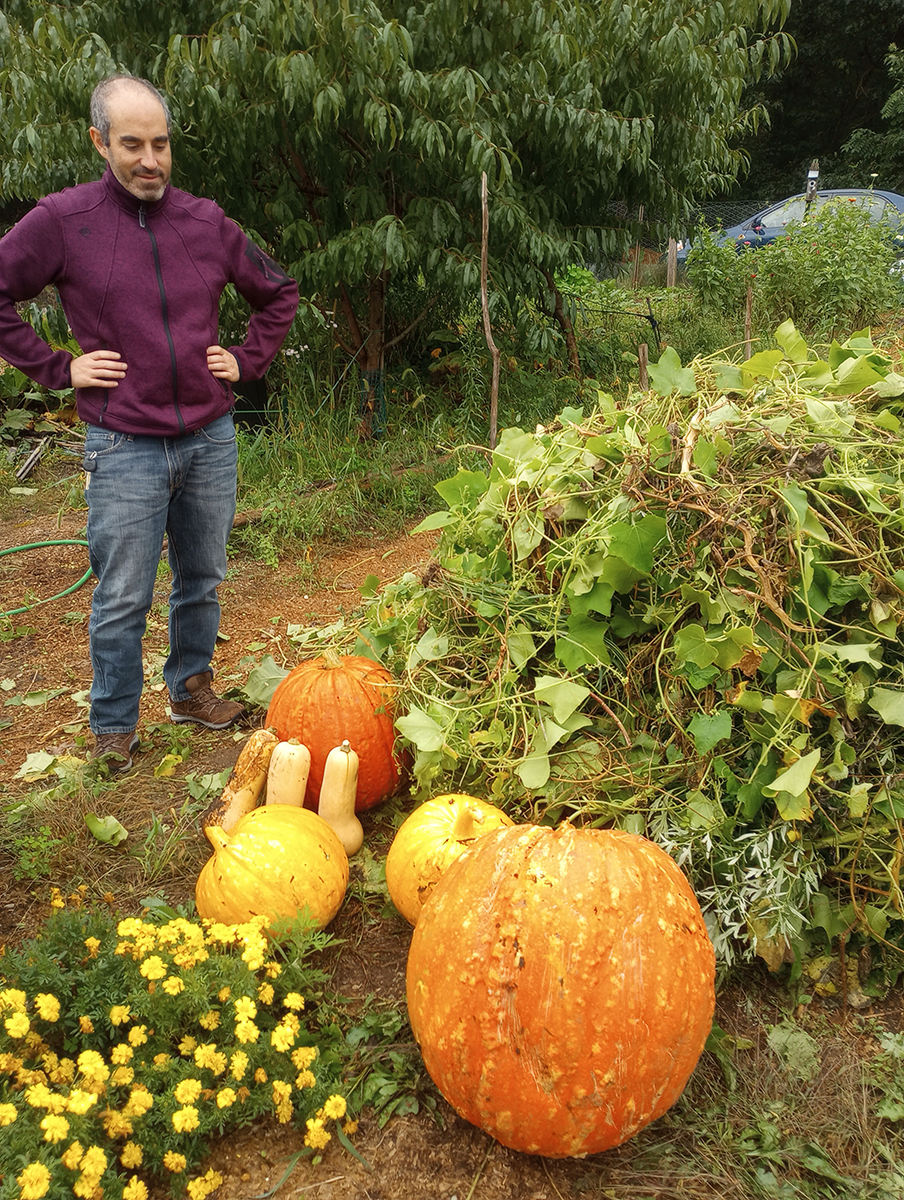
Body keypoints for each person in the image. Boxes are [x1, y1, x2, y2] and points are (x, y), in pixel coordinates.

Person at [0, 75, 299, 770]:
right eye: (132, 144)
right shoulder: (61, 220)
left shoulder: (205, 222)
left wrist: (247, 359)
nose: (150, 160)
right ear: (100, 142)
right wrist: (57, 367)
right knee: (122, 593)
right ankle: (113, 724)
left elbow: (276, 291)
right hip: (123, 443)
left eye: (161, 144)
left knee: (203, 577)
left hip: (209, 438)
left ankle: (191, 688)